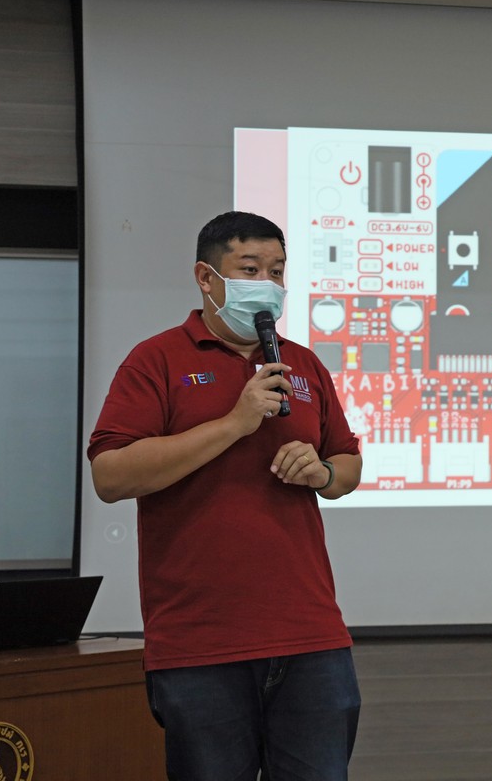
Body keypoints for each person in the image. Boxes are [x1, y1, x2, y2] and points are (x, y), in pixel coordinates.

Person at [88, 211, 363, 780]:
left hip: (310, 635)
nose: (268, 283)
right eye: (250, 269)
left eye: (277, 271)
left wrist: (321, 473)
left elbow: (346, 465)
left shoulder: (303, 363)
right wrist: (234, 424)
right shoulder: (156, 360)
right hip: (201, 642)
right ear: (206, 278)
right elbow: (110, 476)